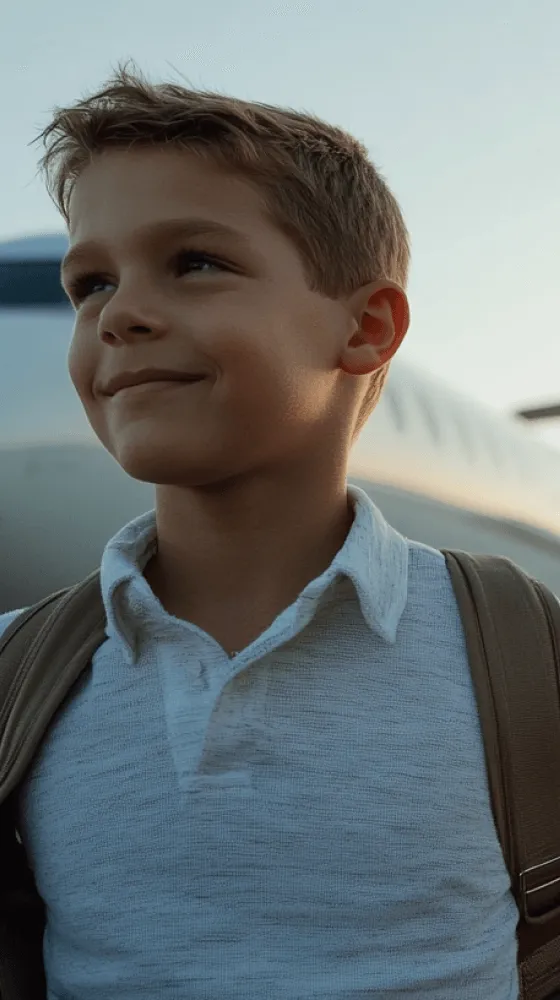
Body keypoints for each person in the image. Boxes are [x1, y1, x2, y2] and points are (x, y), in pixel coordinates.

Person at [0, 64, 519, 998]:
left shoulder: (523, 660)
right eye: (89, 284)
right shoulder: (15, 677)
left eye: (196, 263)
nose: (119, 315)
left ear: (365, 328)